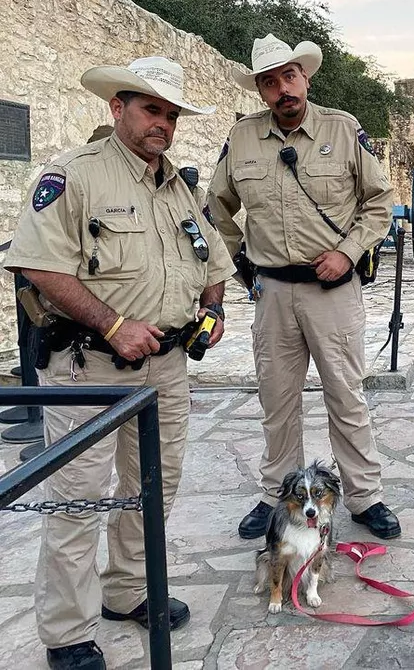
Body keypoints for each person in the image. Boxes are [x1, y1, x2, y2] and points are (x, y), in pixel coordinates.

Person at [5, 56, 236, 670]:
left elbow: (212, 262)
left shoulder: (178, 186)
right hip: (92, 367)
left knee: (153, 488)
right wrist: (111, 323)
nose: (162, 123)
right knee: (77, 500)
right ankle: (67, 632)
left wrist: (211, 312)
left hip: (166, 367)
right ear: (118, 109)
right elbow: (38, 265)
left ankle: (128, 590)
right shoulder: (75, 176)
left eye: (170, 113)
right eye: (150, 109)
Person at [205, 34, 401, 542]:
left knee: (346, 395)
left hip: (331, 290)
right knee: (277, 399)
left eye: (289, 77)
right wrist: (231, 268)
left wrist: (349, 252)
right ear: (261, 90)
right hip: (272, 291)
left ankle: (364, 496)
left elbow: (378, 201)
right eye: (269, 82)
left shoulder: (342, 128)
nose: (282, 89)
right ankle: (277, 494)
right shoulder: (243, 138)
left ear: (305, 78)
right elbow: (217, 210)